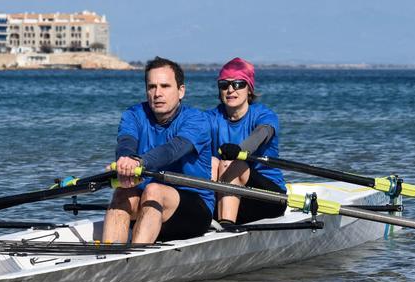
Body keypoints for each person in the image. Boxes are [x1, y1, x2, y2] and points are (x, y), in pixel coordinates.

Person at [101, 57, 214, 244]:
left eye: (165, 86)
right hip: (149, 206)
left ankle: (135, 260)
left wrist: (138, 162)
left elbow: (173, 150)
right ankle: (108, 257)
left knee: (154, 190)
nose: (157, 93)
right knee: (122, 191)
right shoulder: (133, 115)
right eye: (152, 86)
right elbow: (126, 142)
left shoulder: (197, 120)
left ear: (181, 91)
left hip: (194, 210)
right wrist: (126, 159)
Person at [208, 57, 286, 224]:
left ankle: (226, 226)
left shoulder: (264, 115)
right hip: (230, 195)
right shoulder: (211, 117)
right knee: (212, 162)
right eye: (224, 85)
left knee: (231, 164)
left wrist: (240, 149)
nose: (230, 90)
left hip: (268, 198)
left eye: (238, 84)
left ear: (249, 89)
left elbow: (261, 134)